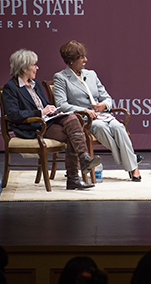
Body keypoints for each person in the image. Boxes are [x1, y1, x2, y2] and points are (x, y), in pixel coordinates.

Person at [2, 49, 101, 190]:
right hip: (33, 126)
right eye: (34, 65)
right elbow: (13, 114)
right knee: (73, 134)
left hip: (48, 121)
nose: (37, 68)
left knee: (73, 118)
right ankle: (74, 175)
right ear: (24, 68)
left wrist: (52, 109)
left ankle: (82, 162)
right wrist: (40, 112)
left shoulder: (34, 84)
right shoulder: (11, 88)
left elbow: (45, 104)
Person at [54, 40, 143, 182]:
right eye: (81, 57)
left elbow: (107, 97)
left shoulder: (91, 75)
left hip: (102, 115)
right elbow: (61, 105)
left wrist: (104, 105)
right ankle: (133, 165)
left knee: (118, 126)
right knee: (100, 127)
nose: (85, 60)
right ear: (71, 60)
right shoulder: (61, 78)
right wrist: (84, 110)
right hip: (83, 119)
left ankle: (132, 165)